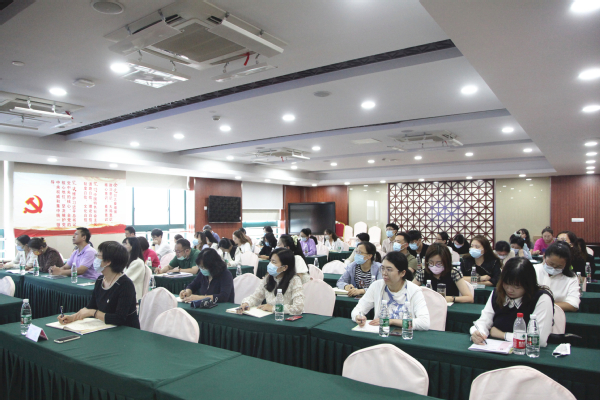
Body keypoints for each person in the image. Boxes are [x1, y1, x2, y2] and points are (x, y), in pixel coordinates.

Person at [470, 257, 553, 347]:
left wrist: (503, 335)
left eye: (517, 286)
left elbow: (539, 339)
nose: (509, 290)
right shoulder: (498, 292)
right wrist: (478, 333)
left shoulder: (542, 298)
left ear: (528, 284)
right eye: (506, 284)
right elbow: (484, 320)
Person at [58, 241, 139, 328]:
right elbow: (91, 306)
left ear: (108, 261)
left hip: (125, 330)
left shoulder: (125, 284)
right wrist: (73, 317)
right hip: (106, 327)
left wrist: (93, 313)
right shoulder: (100, 280)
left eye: (98, 256)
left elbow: (119, 318)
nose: (95, 259)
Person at [353, 251, 430, 331]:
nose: (384, 273)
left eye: (389, 270)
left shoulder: (414, 290)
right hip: (381, 333)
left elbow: (424, 323)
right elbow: (357, 310)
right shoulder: (376, 286)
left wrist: (392, 321)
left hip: (405, 334)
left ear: (402, 273)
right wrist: (358, 317)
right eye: (383, 268)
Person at [238, 248, 304, 315]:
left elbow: (298, 307)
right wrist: (246, 303)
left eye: (274, 262)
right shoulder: (268, 278)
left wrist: (273, 308)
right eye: (270, 261)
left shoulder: (294, 280)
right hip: (269, 316)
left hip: (284, 318)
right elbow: (256, 296)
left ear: (284, 267)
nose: (270, 264)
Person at [534, 242, 580, 312]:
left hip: (558, 314)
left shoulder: (571, 278)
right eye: (551, 264)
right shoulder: (533, 270)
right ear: (544, 256)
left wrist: (546, 306)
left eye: (559, 266)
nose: (554, 268)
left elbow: (573, 304)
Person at [123, 237, 146, 302]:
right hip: (127, 292)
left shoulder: (138, 262)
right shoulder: (129, 260)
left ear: (132, 246)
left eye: (126, 244)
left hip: (133, 295)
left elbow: (125, 278)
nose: (124, 246)